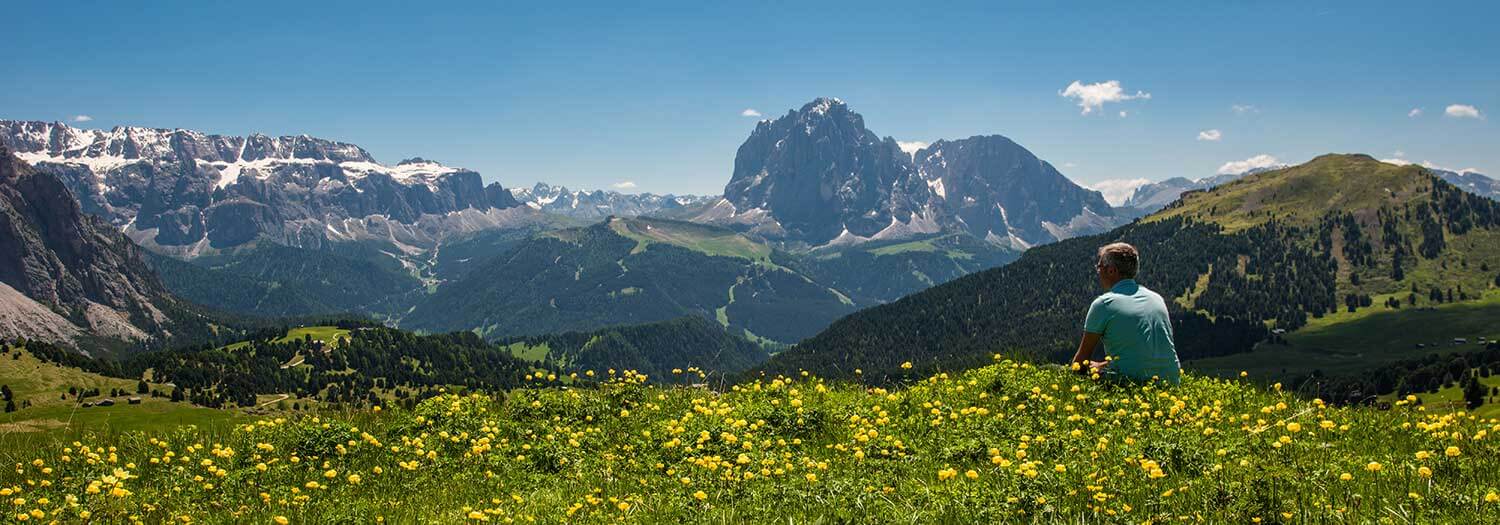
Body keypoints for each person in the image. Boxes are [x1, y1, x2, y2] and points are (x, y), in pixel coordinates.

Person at [1070, 242, 1181, 385]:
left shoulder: (1104, 304)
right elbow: (1142, 353)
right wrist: (1103, 365)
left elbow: (1080, 362)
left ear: (1111, 271)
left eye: (1099, 266)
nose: (1098, 271)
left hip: (1132, 383)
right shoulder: (1157, 298)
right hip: (1171, 383)